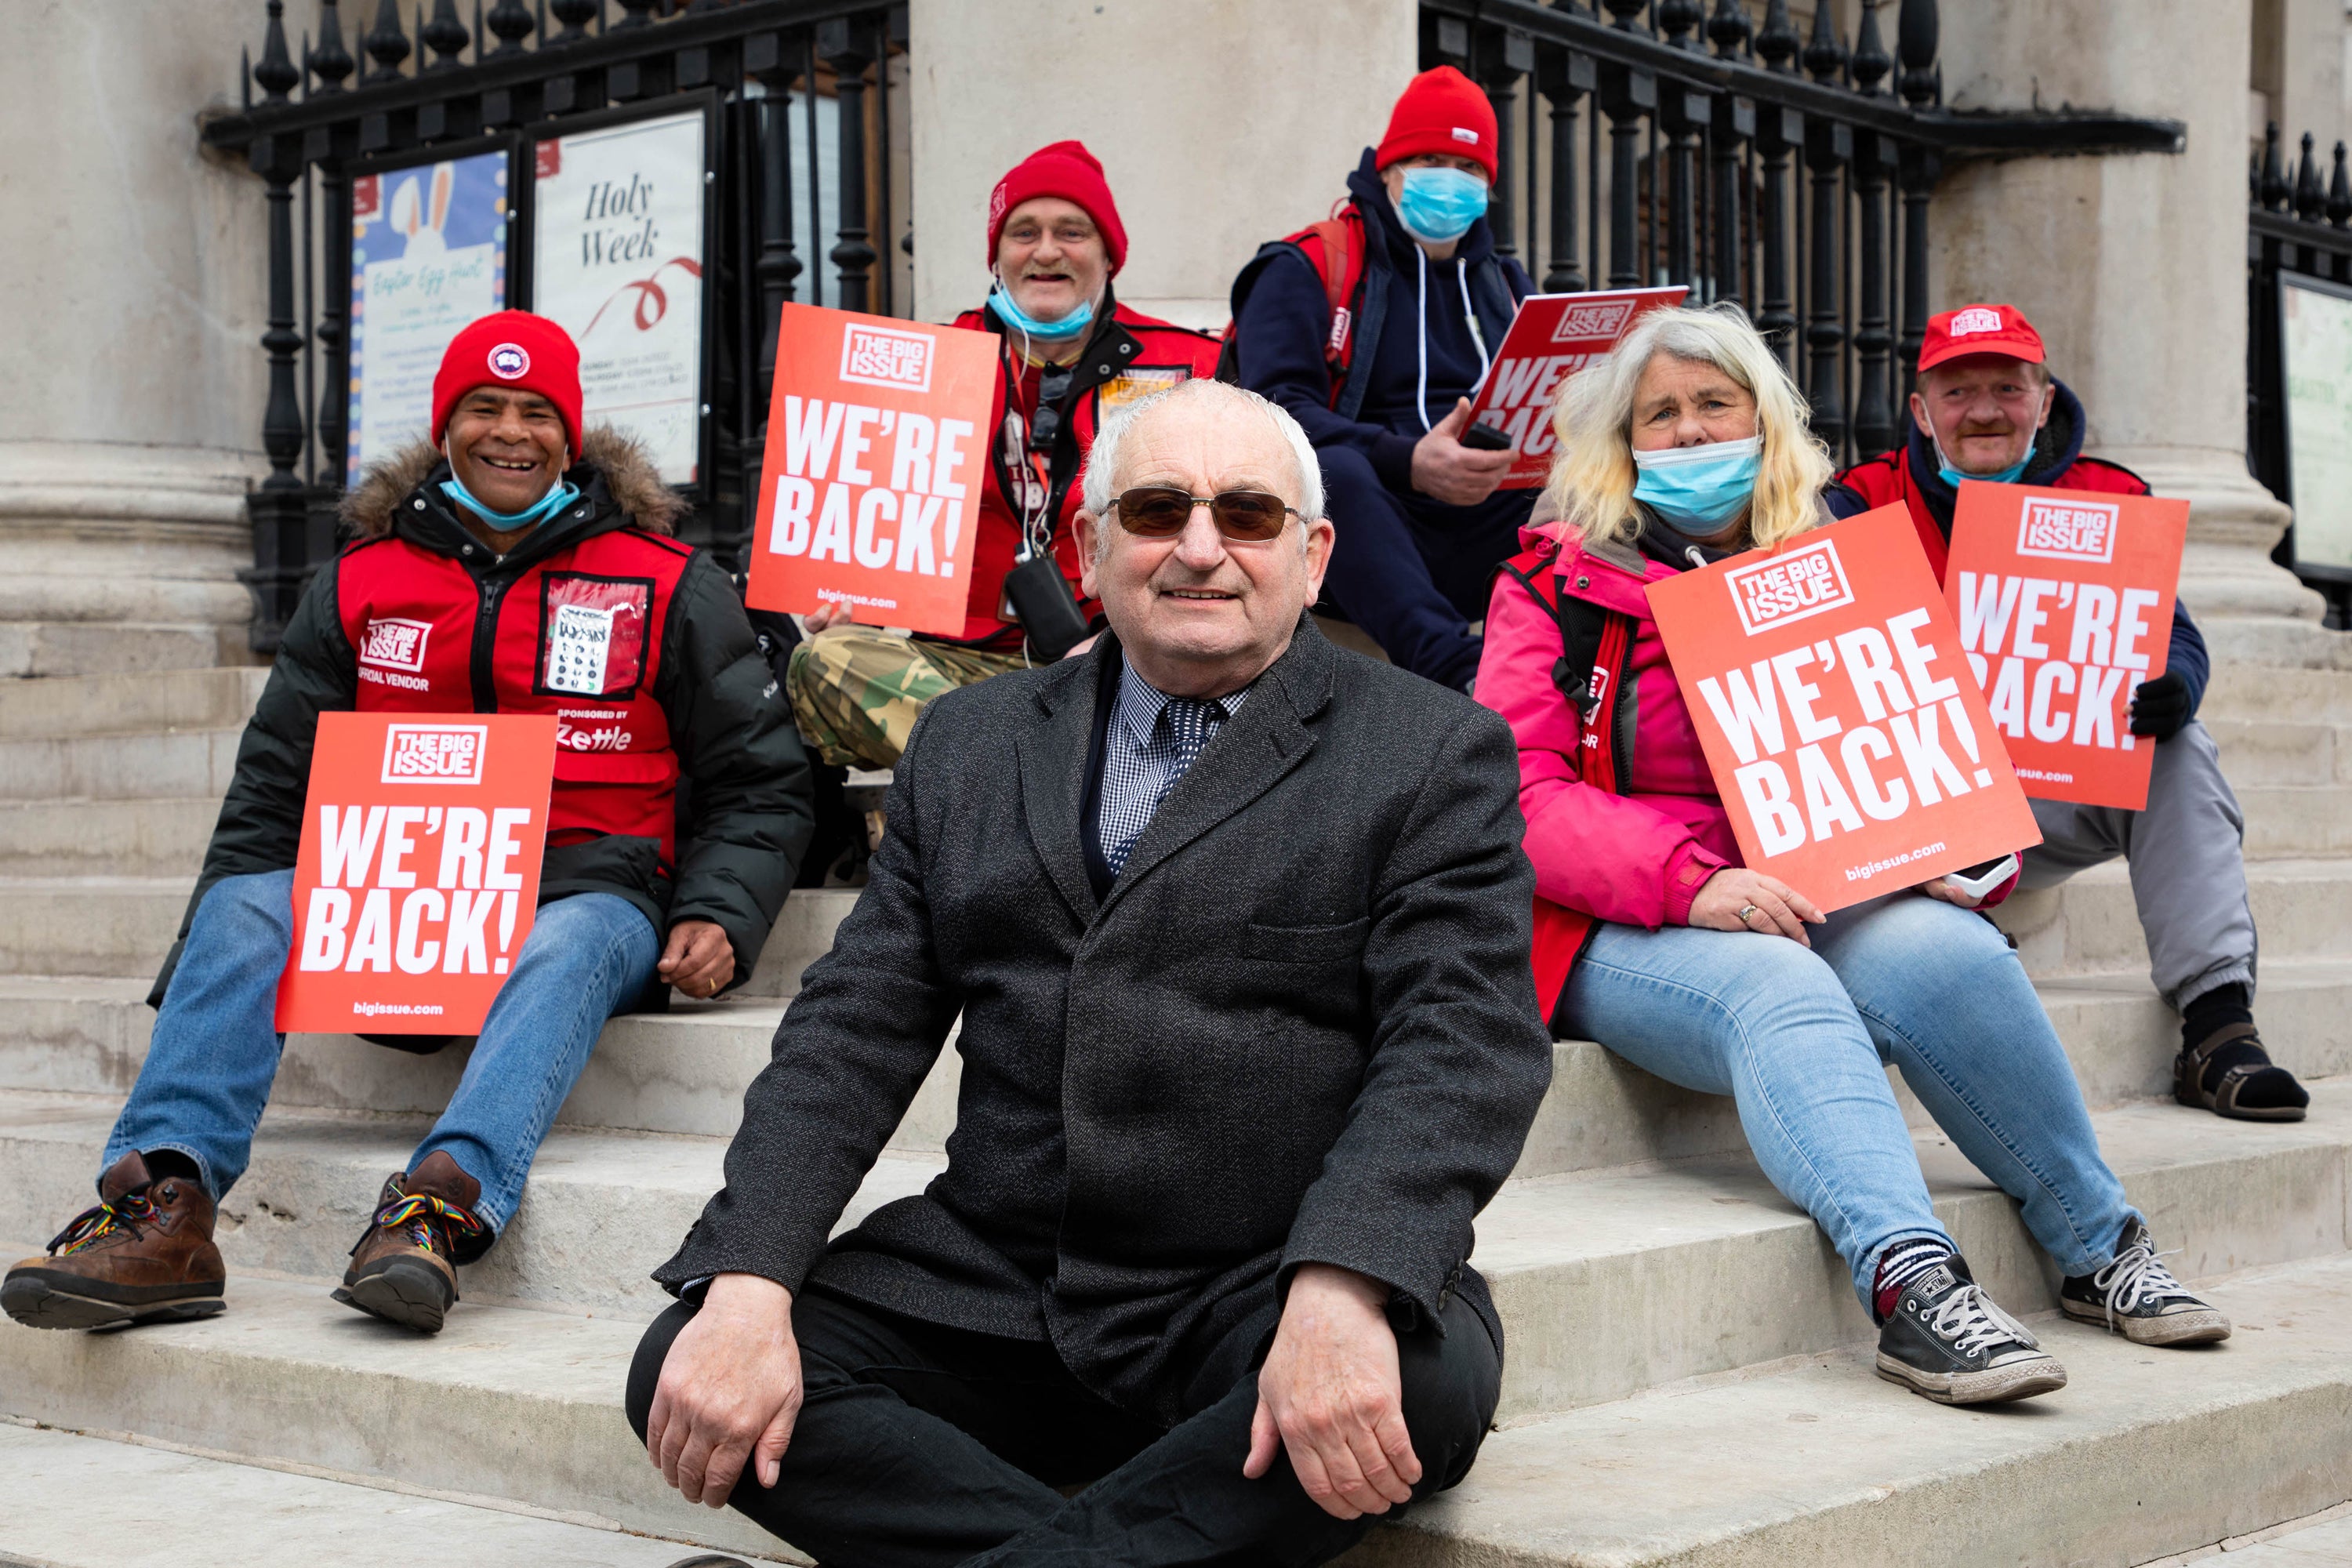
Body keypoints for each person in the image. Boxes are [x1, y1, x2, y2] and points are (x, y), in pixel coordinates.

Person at [629, 377, 1550, 1563]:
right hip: (1002, 1284)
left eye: (1250, 518)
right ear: (1090, 543)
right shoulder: (972, 742)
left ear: (1316, 557)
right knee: (689, 1364)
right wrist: (752, 1275)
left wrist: (1342, 1288)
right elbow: (854, 1028)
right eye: (1159, 510)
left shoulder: (1430, 752)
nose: (1202, 551)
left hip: (1265, 1281)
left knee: (1417, 1390)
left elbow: (1459, 1047)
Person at [1479, 303, 2231, 1408]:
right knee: (1786, 991)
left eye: (1714, 406)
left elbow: (1922, 751)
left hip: (1811, 882)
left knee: (1957, 952)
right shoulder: (1552, 582)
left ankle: (2098, 1244)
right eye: (1662, 416)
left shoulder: (1835, 563)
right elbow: (1521, 795)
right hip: (1623, 922)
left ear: (1764, 422)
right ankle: (1913, 1286)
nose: (1690, 434)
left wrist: (1952, 850)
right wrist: (1696, 882)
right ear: (1624, 444)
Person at [2, 311, 811, 1337]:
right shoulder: (356, 584)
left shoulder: (663, 581)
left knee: (573, 940)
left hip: (585, 887)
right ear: (444, 429)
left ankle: (434, 1206)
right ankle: (166, 1211)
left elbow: (761, 779)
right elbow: (268, 795)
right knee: (249, 901)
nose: (508, 432)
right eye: (483, 408)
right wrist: (204, 961)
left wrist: (723, 914)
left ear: (573, 436)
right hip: (390, 891)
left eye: (535, 412)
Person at [1828, 303, 2308, 1123]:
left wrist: (2174, 684)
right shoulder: (1858, 501)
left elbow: (2175, 638)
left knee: (2182, 747)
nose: (1984, 409)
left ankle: (2218, 1022)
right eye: (1958, 390)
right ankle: (1945, 945)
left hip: (2048, 794)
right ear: (1920, 409)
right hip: (1920, 811)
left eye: (2008, 388)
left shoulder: (2109, 496)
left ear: (2044, 401)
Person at [786, 140, 1223, 771]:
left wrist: (1116, 645)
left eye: (1071, 231)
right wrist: (850, 590)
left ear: (1108, 256)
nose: (1046, 250)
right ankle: (1041, 776)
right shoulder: (927, 360)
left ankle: (998, 779)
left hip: (1122, 662)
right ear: (997, 256)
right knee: (825, 660)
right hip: (962, 670)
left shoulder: (1190, 367)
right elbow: (866, 522)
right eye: (1024, 232)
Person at [1229, 65, 1536, 692]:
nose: (1450, 180)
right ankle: (1459, 672)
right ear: (1387, 170)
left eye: (1470, 168)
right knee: (1334, 469)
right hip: (1356, 538)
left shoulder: (1505, 286)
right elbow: (1271, 414)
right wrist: (1409, 461)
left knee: (1591, 482)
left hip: (1478, 522)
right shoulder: (1307, 265)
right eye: (1428, 159)